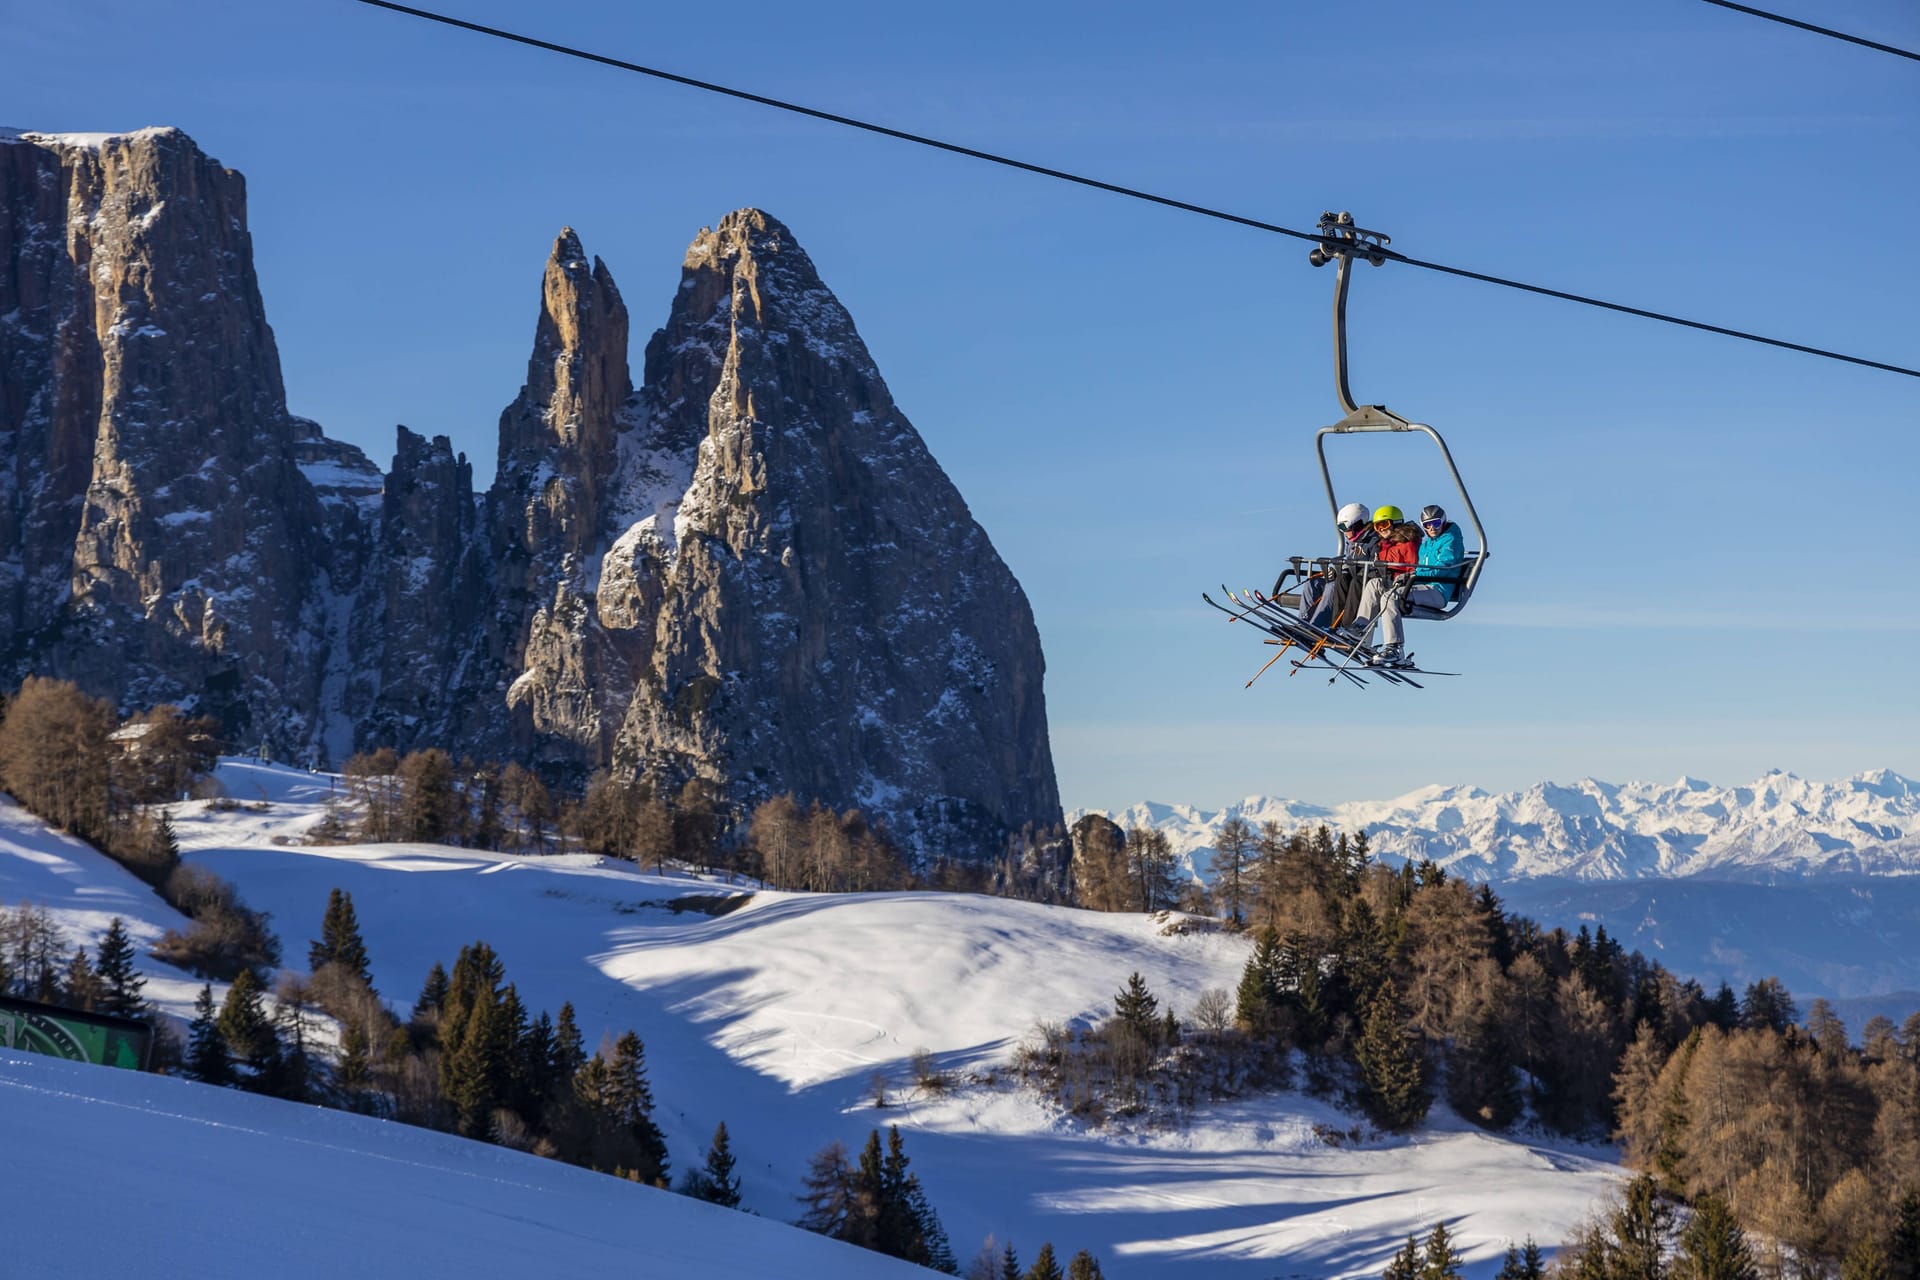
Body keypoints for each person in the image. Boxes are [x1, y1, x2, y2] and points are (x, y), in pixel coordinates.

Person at [1349, 505, 1422, 665]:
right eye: (1377, 526)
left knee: (1387, 597)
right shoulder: (1384, 544)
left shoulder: (1408, 543)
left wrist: (1406, 577)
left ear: (1395, 523)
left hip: (1405, 584)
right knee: (1373, 584)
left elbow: (1414, 566)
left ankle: (1395, 648)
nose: (1381, 529)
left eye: (1385, 525)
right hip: (1391, 581)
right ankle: (1361, 630)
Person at [1299, 501, 1377, 628]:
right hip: (1346, 579)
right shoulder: (1351, 543)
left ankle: (1317, 626)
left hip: (1357, 584)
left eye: (1344, 528)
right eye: (1340, 528)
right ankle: (1303, 623)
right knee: (1312, 583)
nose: (1344, 533)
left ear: (1357, 525)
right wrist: (1336, 571)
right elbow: (1348, 563)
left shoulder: (1372, 541)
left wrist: (1345, 571)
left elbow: (1370, 567)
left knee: (1332, 587)